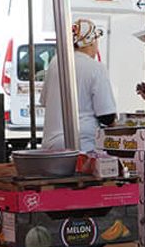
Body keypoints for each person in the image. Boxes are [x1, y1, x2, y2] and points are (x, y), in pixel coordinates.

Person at [39, 19, 119, 155]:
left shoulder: (55, 62)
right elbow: (106, 116)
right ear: (91, 41)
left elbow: (45, 101)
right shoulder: (95, 67)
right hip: (80, 145)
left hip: (50, 146)